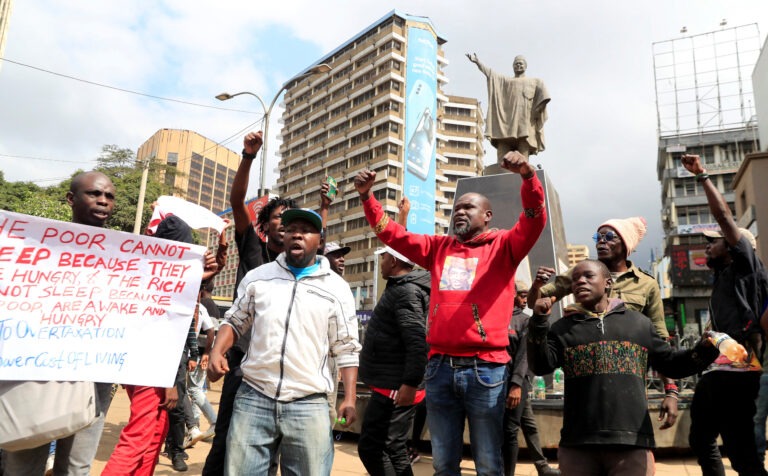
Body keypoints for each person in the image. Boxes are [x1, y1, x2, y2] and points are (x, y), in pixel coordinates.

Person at [354, 150, 547, 476]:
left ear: (487, 216)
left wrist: (528, 177)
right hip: (439, 368)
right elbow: (392, 235)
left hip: (486, 370)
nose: (460, 212)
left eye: (468, 208)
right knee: (443, 463)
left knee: (487, 462)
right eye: (456, 208)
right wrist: (367, 197)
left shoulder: (505, 246)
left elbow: (534, 216)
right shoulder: (438, 248)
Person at [527, 259, 719, 476]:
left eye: (588, 276)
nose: (580, 281)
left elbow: (672, 364)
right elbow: (540, 366)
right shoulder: (562, 329)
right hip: (578, 444)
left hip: (632, 441)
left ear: (607, 283)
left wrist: (706, 349)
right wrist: (539, 321)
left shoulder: (639, 324)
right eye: (575, 279)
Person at [207, 208, 361, 476]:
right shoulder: (259, 277)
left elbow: (346, 347)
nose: (297, 235)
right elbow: (234, 321)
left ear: (320, 241)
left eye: (306, 230)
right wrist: (218, 351)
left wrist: (349, 398)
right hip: (254, 398)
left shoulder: (337, 289)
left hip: (309, 403)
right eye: (291, 230)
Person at [2, 171, 117, 476]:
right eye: (94, 193)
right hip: (32, 374)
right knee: (23, 464)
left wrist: (192, 282)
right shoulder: (32, 245)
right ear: (71, 199)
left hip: (94, 378)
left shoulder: (126, 256)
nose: (103, 200)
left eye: (109, 196)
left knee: (76, 468)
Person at [202, 131, 298, 476]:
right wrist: (247, 157)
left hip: (279, 364)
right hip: (242, 360)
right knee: (227, 435)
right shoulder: (253, 249)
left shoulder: (299, 266)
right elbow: (237, 198)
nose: (283, 223)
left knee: (270, 443)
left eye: (290, 220)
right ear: (265, 225)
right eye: (276, 217)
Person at [528, 216, 681, 428]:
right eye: (598, 237)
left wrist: (671, 391)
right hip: (584, 376)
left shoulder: (646, 284)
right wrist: (537, 285)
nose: (601, 242)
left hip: (628, 378)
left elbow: (660, 340)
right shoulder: (581, 273)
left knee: (630, 431)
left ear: (625, 244)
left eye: (609, 237)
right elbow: (537, 302)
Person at [103, 215, 217, 475]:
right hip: (152, 367)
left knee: (157, 429)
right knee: (140, 434)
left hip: (150, 366)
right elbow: (160, 332)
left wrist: (200, 276)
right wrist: (169, 383)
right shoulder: (156, 280)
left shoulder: (154, 274)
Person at [681, 154, 768, 476]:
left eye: (713, 242)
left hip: (739, 368)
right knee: (701, 438)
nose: (706, 247)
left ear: (733, 247)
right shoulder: (722, 281)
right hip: (723, 369)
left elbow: (724, 217)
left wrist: (702, 175)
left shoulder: (745, 265)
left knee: (740, 449)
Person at [357, 246, 430, 476]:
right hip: (394, 383)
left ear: (395, 261)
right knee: (394, 447)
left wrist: (409, 383)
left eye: (385, 257)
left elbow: (417, 341)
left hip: (395, 387)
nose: (382, 262)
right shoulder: (402, 288)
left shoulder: (406, 291)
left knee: (372, 448)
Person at [503, 281, 559, 476]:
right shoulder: (499, 317)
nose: (524, 299)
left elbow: (524, 355)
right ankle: (542, 466)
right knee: (528, 424)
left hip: (517, 382)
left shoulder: (525, 320)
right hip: (503, 382)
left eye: (527, 295)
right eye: (521, 294)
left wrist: (517, 383)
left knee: (511, 429)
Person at [466, 53, 550, 174]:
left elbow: (544, 95)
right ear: (513, 67)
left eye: (521, 63)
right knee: (502, 166)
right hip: (505, 128)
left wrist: (538, 109)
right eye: (516, 63)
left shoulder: (534, 81)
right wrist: (478, 62)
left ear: (525, 66)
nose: (518, 65)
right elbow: (490, 74)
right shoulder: (506, 81)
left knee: (523, 165)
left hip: (525, 128)